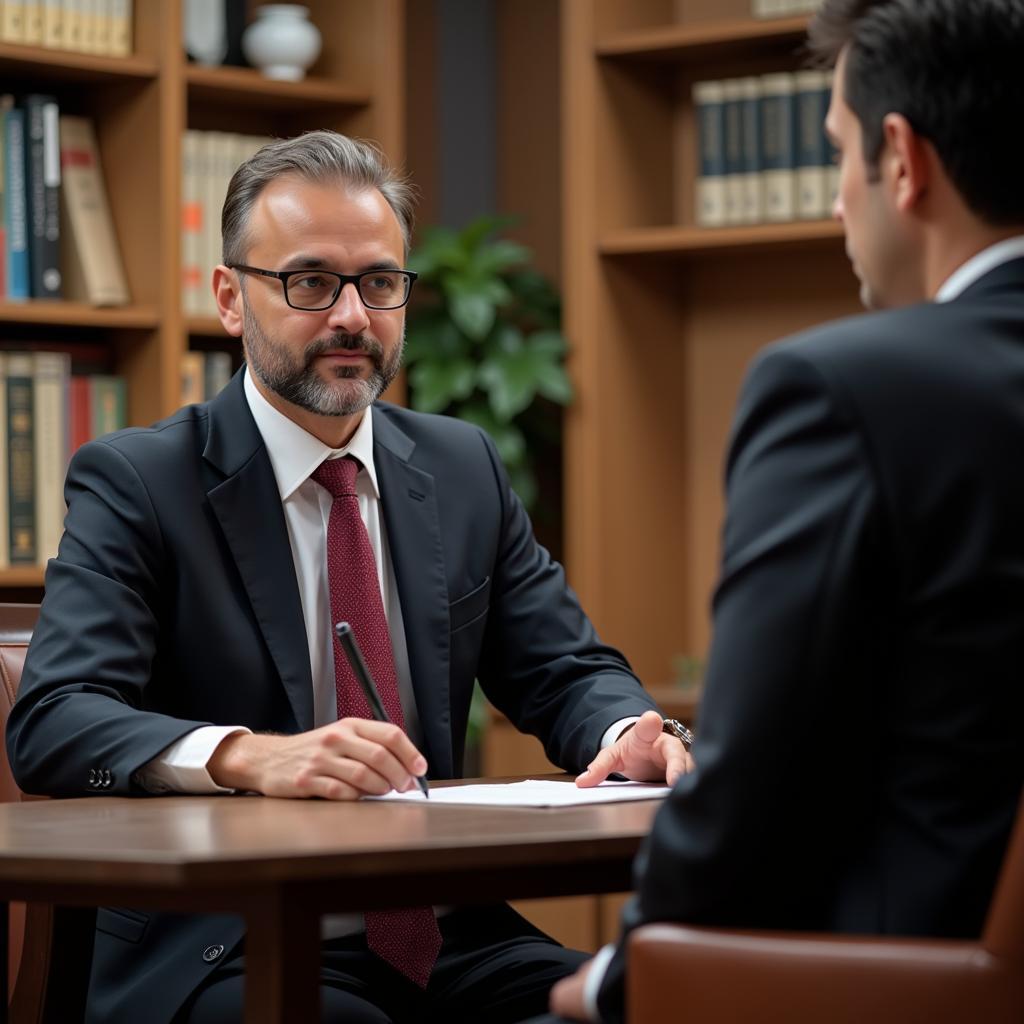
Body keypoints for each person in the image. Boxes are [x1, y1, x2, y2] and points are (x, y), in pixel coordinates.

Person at [6, 131, 692, 1024]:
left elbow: (564, 670)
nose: (351, 317)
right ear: (229, 298)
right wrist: (250, 756)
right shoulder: (140, 481)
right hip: (227, 945)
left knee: (649, 999)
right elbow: (56, 717)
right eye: (309, 282)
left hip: (450, 940)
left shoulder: (460, 467)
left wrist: (625, 730)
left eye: (378, 283)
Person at [544, 1, 1024, 1021]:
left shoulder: (844, 390)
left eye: (839, 153)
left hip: (879, 985)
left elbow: (750, 791)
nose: (838, 203)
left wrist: (626, 977)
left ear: (901, 159)